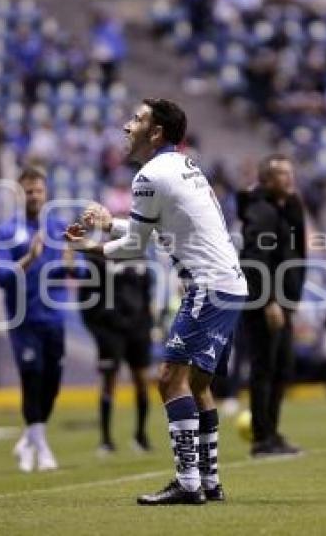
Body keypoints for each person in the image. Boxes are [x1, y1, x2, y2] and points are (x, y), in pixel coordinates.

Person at [65, 98, 248, 505]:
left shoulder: (148, 176)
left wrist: (88, 247)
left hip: (208, 286)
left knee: (168, 379)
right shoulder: (183, 166)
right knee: (198, 384)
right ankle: (209, 480)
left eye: (137, 119)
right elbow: (154, 226)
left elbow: (134, 247)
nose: (127, 126)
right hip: (228, 284)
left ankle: (187, 483)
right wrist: (107, 223)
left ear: (157, 132)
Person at [0, 166, 84, 473]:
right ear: (20, 194)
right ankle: (41, 447)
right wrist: (29, 258)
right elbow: (0, 276)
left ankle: (30, 438)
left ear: (46, 193)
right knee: (31, 378)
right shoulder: (6, 232)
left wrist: (71, 257)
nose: (33, 195)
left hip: (55, 317)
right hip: (23, 318)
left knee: (52, 384)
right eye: (28, 191)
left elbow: (80, 270)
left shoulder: (59, 229)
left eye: (38, 190)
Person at [236, 154, 306, 457]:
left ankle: (272, 433)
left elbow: (298, 251)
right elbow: (254, 260)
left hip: (284, 303)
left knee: (281, 369)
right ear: (266, 180)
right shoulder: (261, 212)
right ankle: (261, 439)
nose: (289, 179)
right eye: (281, 175)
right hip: (266, 305)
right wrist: (269, 301)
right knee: (264, 370)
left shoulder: (284, 209)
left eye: (290, 173)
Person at [78, 240, 153, 455]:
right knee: (109, 381)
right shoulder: (97, 257)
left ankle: (141, 435)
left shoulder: (139, 254)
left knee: (141, 380)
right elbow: (85, 297)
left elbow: (146, 290)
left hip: (138, 328)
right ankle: (105, 439)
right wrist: (98, 329)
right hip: (110, 331)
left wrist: (148, 322)